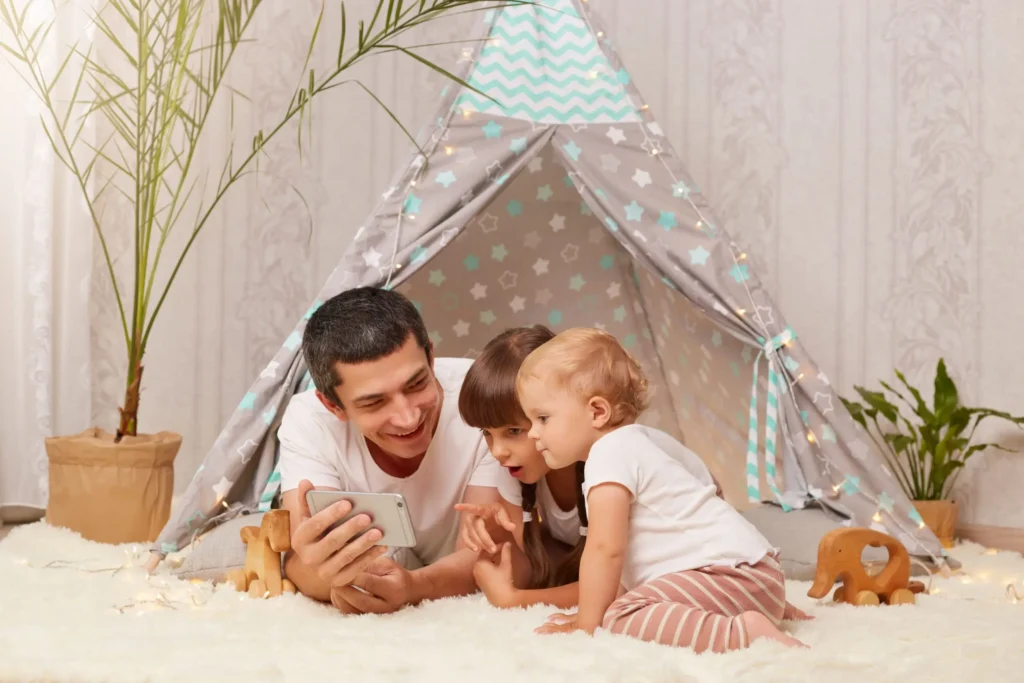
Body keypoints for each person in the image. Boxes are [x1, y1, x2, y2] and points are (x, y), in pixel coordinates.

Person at [516, 327, 809, 653]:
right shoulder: (650, 441)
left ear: (597, 412)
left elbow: (605, 549)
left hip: (729, 579)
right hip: (760, 575)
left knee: (621, 615)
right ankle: (762, 608)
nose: (533, 434)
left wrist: (588, 622)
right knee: (636, 593)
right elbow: (712, 485)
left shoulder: (607, 454)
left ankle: (744, 632)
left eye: (542, 418)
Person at [276, 287, 506, 614]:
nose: (408, 417)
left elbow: (488, 554)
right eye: (374, 402)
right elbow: (303, 561)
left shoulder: (485, 397)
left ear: (430, 357)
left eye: (416, 385)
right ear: (333, 405)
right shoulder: (309, 420)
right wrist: (332, 577)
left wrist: (414, 587)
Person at [452, 325, 585, 611]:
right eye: (486, 433)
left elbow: (615, 585)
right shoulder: (517, 471)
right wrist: (498, 537)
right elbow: (535, 571)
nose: (497, 451)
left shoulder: (607, 464)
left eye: (513, 430)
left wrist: (515, 600)